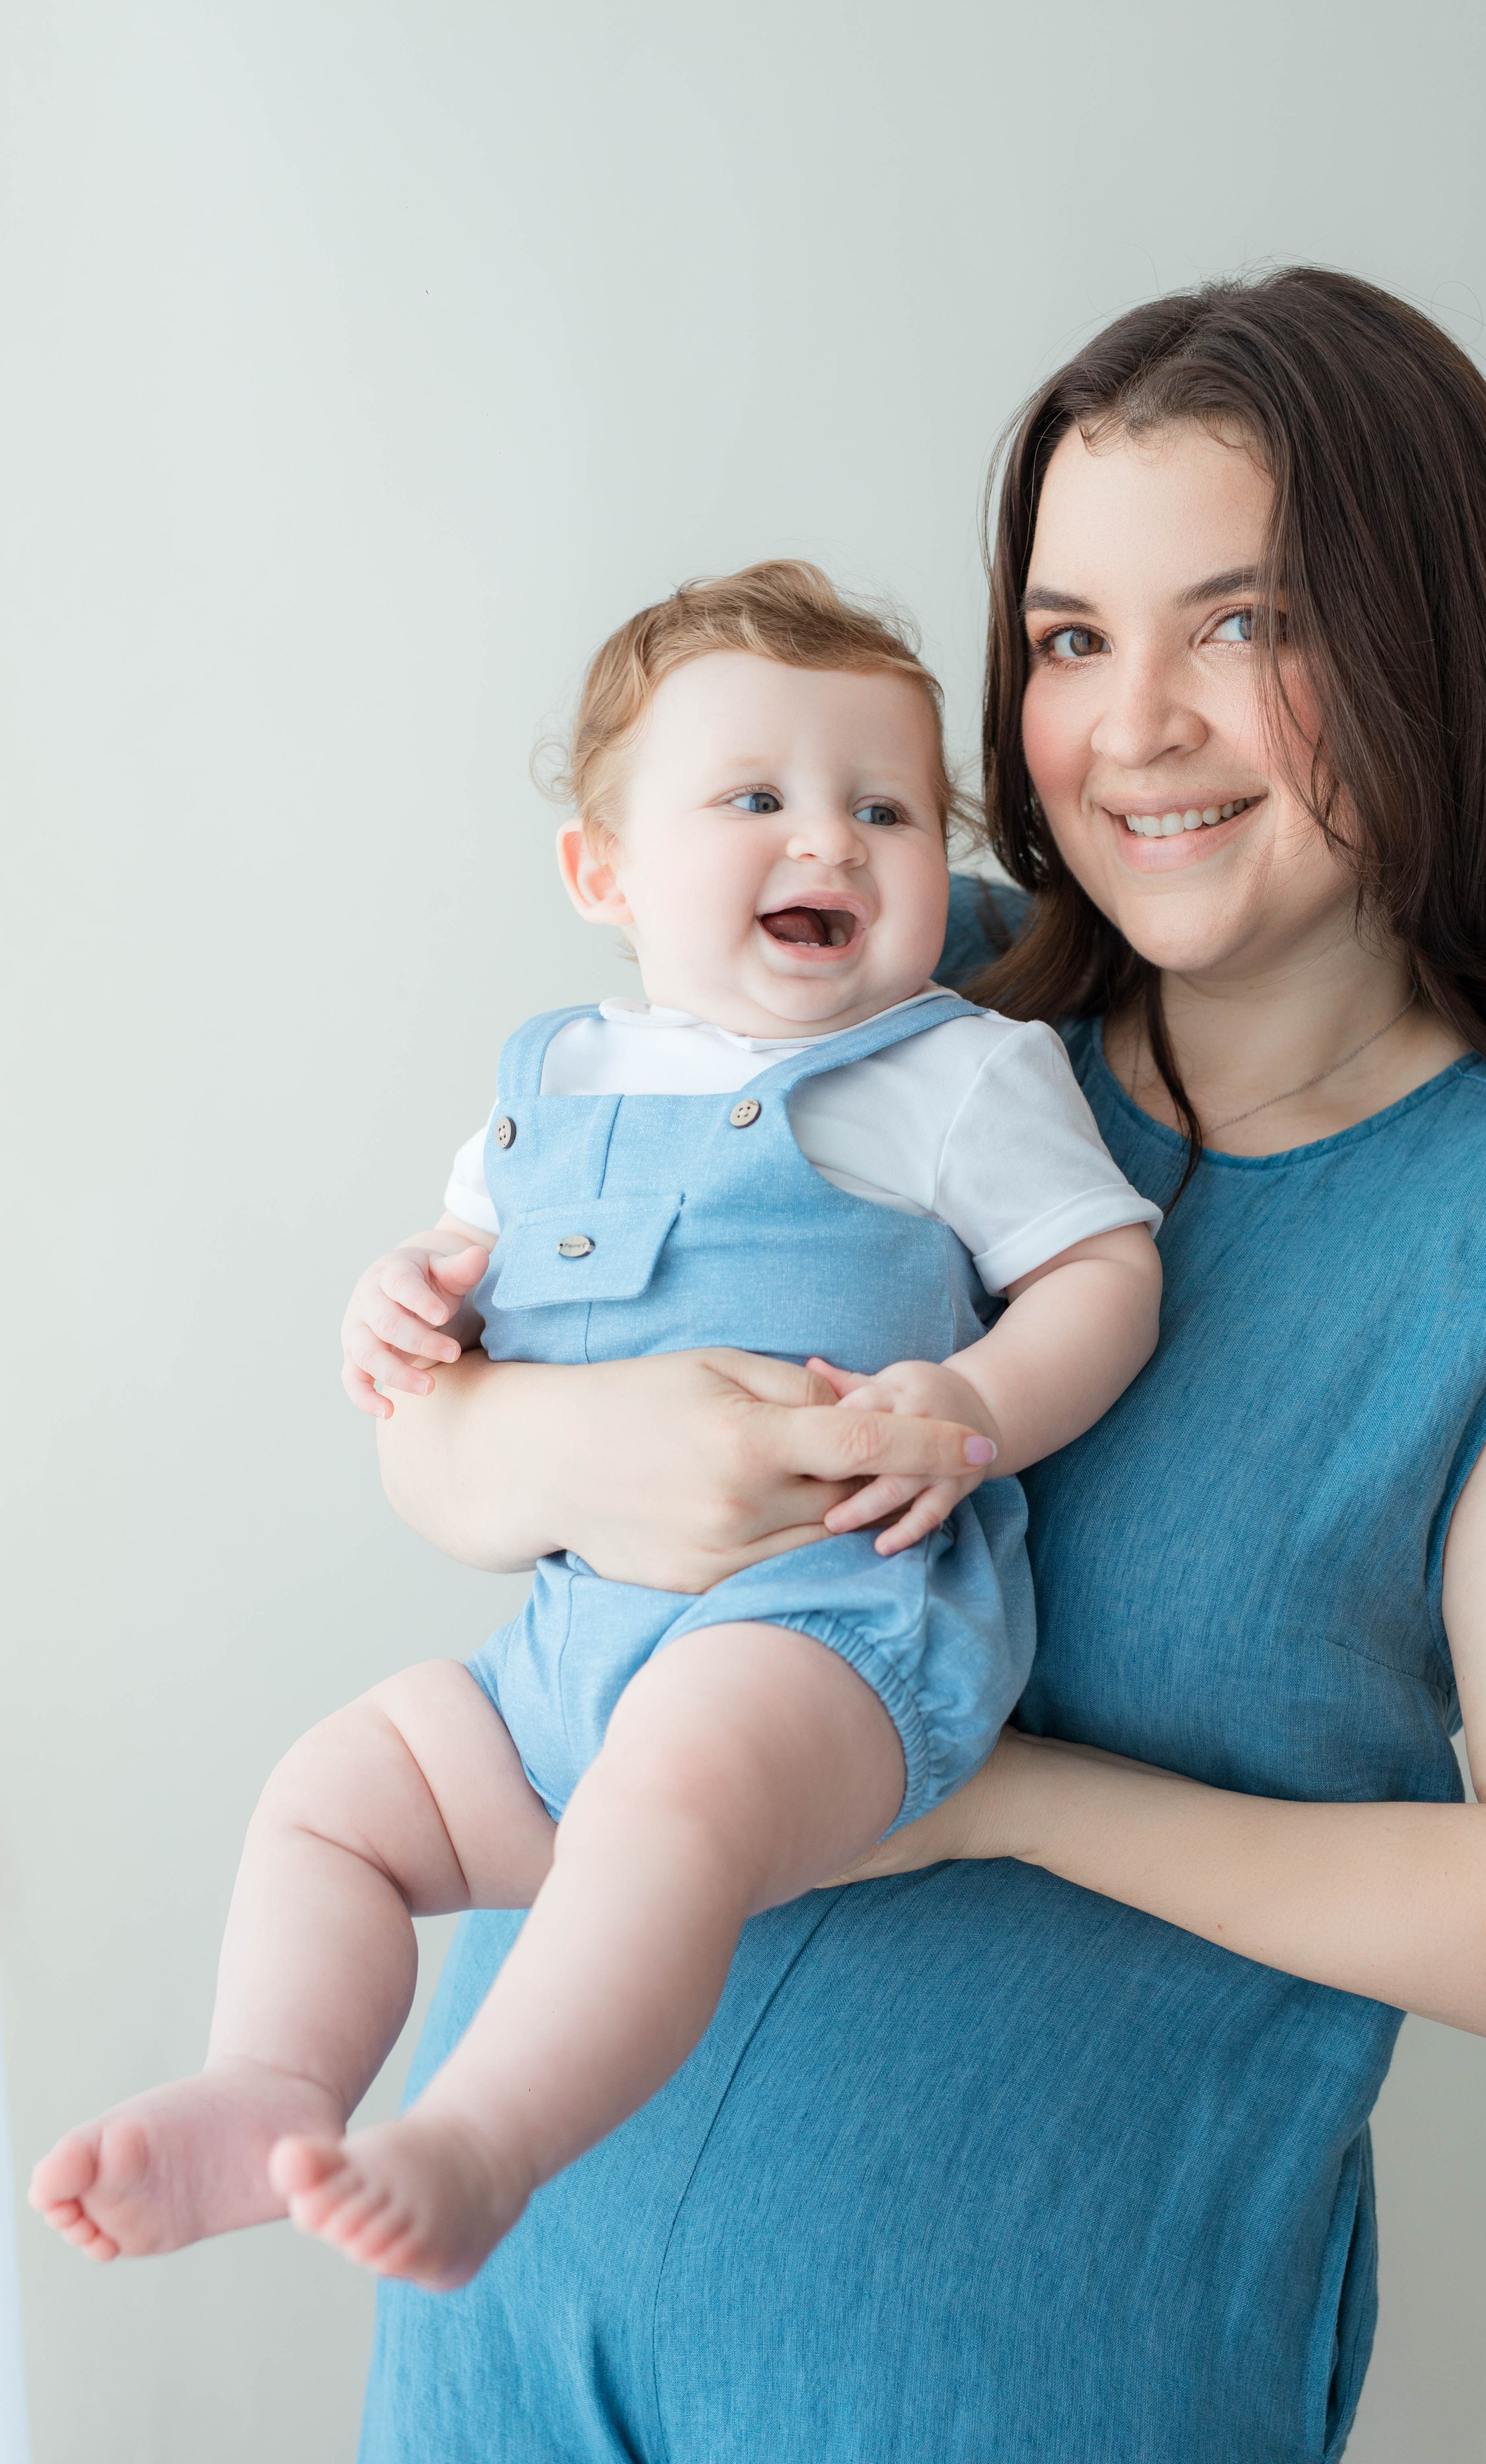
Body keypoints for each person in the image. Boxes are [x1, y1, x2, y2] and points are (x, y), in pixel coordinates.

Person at [178, 267, 1486, 2464]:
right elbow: (462, 1429)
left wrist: (1003, 1805)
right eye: (1064, 633)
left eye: (1246, 626)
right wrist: (552, 1436)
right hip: (525, 2347)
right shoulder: (898, 991)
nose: (1133, 730)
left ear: (1435, 646)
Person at [25, 563, 1163, 2292]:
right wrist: (401, 1297)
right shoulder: (552, 1085)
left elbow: (1103, 1272)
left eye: (886, 808)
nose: (833, 844)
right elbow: (455, 1298)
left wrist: (978, 1401)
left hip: (828, 1628)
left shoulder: (951, 1075)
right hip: (572, 1646)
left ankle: (484, 2143)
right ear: (602, 872)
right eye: (755, 800)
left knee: (672, 1802)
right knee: (337, 1795)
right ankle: (271, 2085)